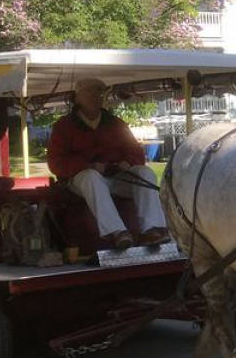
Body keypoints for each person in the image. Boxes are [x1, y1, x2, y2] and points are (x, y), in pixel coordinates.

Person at [47, 78, 169, 250]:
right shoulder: (64, 126)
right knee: (91, 177)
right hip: (80, 181)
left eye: (99, 94)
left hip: (116, 177)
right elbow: (56, 162)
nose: (95, 97)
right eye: (89, 93)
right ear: (78, 98)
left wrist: (128, 162)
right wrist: (88, 165)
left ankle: (151, 230)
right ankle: (118, 232)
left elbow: (135, 152)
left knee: (145, 173)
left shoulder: (116, 123)